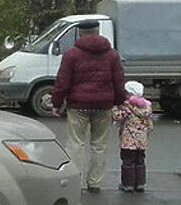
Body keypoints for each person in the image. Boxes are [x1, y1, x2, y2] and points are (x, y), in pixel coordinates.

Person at [52, 19, 127, 192]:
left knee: (75, 144)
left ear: (80, 33)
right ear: (98, 31)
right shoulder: (112, 54)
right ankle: (94, 183)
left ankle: (74, 181)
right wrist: (119, 102)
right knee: (99, 145)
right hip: (103, 105)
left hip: (78, 106)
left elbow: (63, 82)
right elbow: (118, 80)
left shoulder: (72, 54)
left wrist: (57, 103)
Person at [112, 80, 153, 192]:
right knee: (140, 160)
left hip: (128, 139)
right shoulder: (148, 106)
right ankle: (140, 184)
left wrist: (116, 107)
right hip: (142, 140)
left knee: (128, 161)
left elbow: (117, 117)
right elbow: (150, 123)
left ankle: (128, 184)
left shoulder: (126, 105)